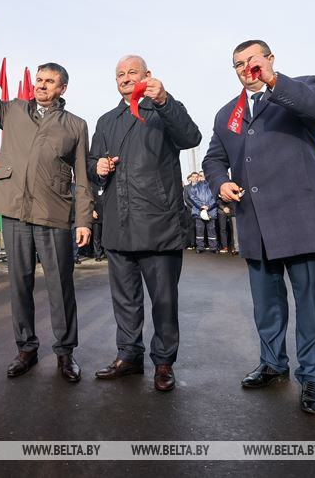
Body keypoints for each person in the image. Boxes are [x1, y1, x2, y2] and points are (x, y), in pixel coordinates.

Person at [203, 39, 315, 414]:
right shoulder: (226, 114)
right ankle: (273, 363)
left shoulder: (302, 88)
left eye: (252, 60)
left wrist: (276, 83)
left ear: (269, 60)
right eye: (237, 64)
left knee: (312, 307)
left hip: (301, 221)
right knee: (267, 306)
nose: (245, 67)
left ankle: (313, 378)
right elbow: (214, 158)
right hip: (255, 224)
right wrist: (219, 183)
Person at [0, 32, 93, 383]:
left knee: (60, 286)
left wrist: (83, 220)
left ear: (63, 88)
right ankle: (26, 349)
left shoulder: (76, 125)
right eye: (39, 80)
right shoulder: (14, 109)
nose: (42, 86)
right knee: (18, 285)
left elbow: (83, 176)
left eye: (49, 82)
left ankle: (65, 354)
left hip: (53, 212)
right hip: (14, 209)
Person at [88, 55, 201, 391]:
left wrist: (163, 99)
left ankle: (163, 362)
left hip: (158, 223)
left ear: (147, 75)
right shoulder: (108, 120)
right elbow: (93, 158)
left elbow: (191, 137)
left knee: (163, 300)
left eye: (131, 72)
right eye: (119, 74)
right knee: (124, 299)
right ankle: (128, 355)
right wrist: (99, 166)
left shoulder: (161, 111)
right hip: (118, 224)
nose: (125, 78)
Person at [189, 173, 218, 252]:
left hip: (210, 211)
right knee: (199, 230)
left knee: (212, 230)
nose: (202, 177)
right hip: (198, 212)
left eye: (204, 175)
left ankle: (213, 247)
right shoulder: (194, 188)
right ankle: (200, 247)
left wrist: (208, 206)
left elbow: (215, 198)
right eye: (200, 176)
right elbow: (192, 198)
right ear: (198, 177)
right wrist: (201, 206)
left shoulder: (213, 187)